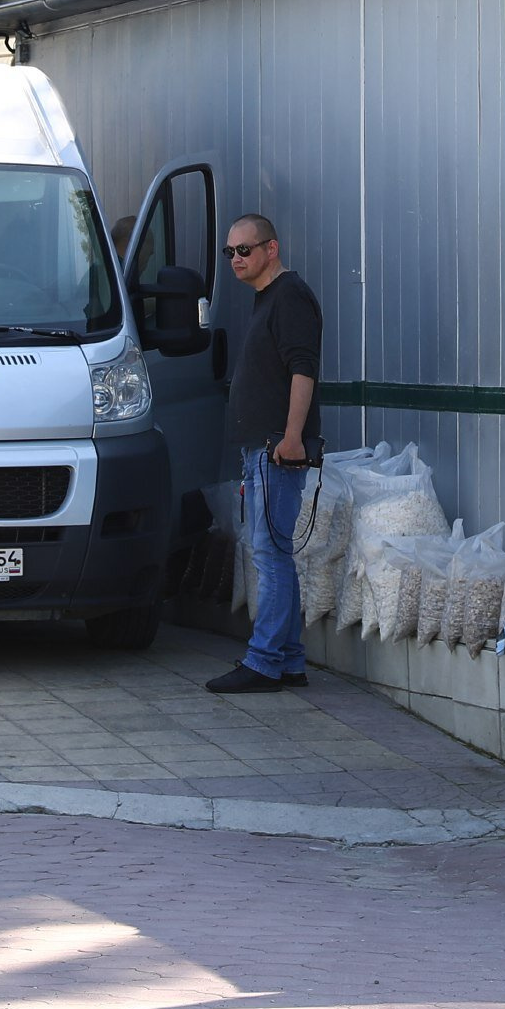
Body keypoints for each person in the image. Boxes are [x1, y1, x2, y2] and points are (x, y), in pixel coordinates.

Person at [205, 213, 323, 694]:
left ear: (270, 250)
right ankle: (289, 659)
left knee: (270, 555)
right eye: (229, 252)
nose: (236, 259)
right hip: (263, 448)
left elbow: (303, 369)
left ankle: (264, 661)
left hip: (278, 448)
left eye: (244, 250)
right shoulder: (265, 300)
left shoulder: (290, 295)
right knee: (275, 555)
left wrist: (292, 436)